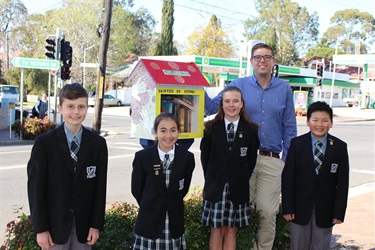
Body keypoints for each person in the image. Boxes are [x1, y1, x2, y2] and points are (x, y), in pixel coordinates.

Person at [204, 42, 297, 249]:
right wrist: (195, 86)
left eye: (266, 57)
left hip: (271, 159)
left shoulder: (284, 89)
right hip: (240, 161)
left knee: (267, 212)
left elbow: (289, 128)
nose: (262, 60)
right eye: (257, 57)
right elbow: (213, 107)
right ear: (251, 61)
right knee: (237, 215)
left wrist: (285, 162)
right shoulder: (239, 85)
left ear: (273, 61)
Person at [27, 83, 108, 250]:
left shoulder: (98, 144)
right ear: (60, 108)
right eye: (70, 106)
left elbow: (100, 188)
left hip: (84, 229)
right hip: (54, 228)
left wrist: (96, 225)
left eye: (81, 106)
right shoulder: (44, 144)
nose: (76, 112)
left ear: (87, 107)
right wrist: (41, 228)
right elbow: (36, 189)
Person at [281, 101, 349, 250]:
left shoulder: (339, 147)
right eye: (315, 120)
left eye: (325, 120)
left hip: (326, 209)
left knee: (321, 245)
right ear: (307, 122)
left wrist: (339, 211)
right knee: (298, 245)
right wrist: (287, 207)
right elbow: (288, 178)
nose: (320, 124)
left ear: (331, 123)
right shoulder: (297, 144)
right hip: (299, 208)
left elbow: (343, 183)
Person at [200, 86, 259, 250]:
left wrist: (237, 178)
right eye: (227, 101)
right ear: (222, 104)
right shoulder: (210, 128)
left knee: (231, 231)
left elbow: (251, 161)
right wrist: (213, 179)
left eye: (235, 101)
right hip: (215, 187)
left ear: (242, 104)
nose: (231, 105)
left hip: (237, 187)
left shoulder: (251, 130)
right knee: (216, 230)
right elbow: (205, 159)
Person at [131, 112, 195, 250]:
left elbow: (183, 188)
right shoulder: (143, 157)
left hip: (174, 223)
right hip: (148, 222)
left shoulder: (187, 158)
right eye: (163, 130)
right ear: (155, 132)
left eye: (173, 130)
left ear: (179, 132)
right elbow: (137, 189)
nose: (168, 136)